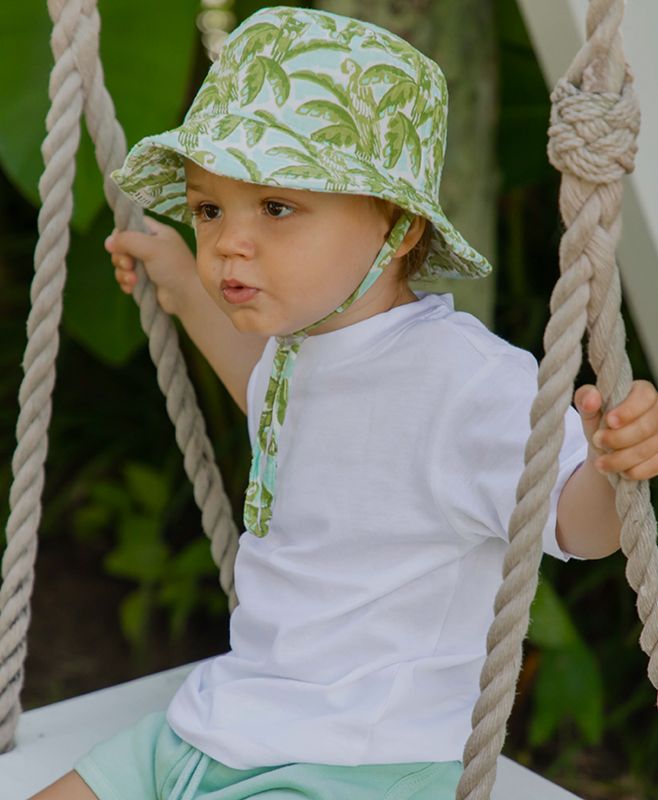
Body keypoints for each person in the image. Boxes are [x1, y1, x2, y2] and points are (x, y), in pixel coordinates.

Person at [31, 6, 658, 800]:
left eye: (277, 208)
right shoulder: (299, 350)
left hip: (358, 760)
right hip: (218, 722)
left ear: (395, 229)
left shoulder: (464, 378)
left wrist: (613, 466)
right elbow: (267, 405)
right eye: (208, 208)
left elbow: (574, 525)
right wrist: (184, 286)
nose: (229, 241)